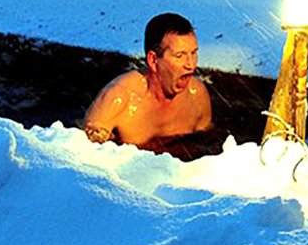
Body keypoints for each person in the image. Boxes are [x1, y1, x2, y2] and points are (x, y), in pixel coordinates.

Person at [82, 12, 216, 157]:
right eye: (180, 56)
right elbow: (86, 156)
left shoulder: (197, 96)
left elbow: (208, 147)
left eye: (194, 53)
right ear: (153, 60)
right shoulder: (118, 99)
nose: (191, 65)